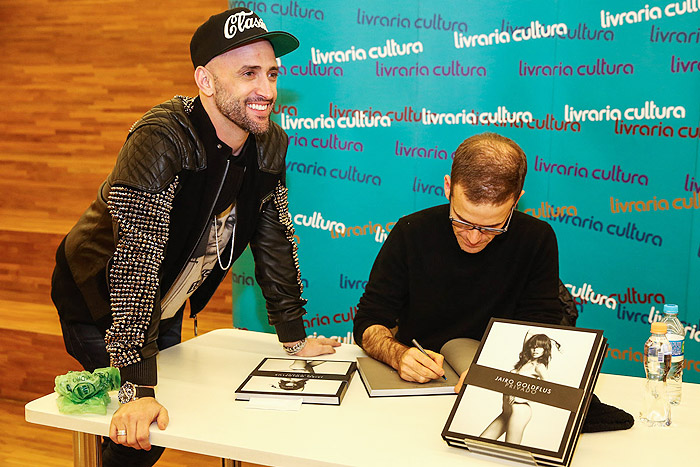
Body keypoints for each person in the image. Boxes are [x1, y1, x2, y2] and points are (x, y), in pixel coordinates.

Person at [50, 7, 339, 466]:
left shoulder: (269, 143)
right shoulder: (162, 138)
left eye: (271, 73)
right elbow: (134, 263)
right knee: (143, 430)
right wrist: (137, 389)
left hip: (162, 305)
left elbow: (274, 241)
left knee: (167, 415)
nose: (266, 90)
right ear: (205, 81)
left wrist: (293, 337)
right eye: (248, 73)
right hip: (99, 303)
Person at [353, 132, 563, 385]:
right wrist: (398, 356)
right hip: (418, 381)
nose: (473, 238)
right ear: (448, 187)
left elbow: (540, 328)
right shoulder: (411, 231)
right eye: (462, 221)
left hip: (499, 377)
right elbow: (369, 321)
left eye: (493, 227)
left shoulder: (537, 238)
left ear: (517, 201)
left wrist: (498, 372)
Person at [480, 332, 561, 444]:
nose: (535, 350)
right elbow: (529, 332)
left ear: (545, 349)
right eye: (533, 346)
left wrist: (523, 398)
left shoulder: (539, 367)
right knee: (480, 441)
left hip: (519, 411)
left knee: (509, 450)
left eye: (540, 347)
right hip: (506, 410)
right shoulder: (525, 362)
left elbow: (549, 390)